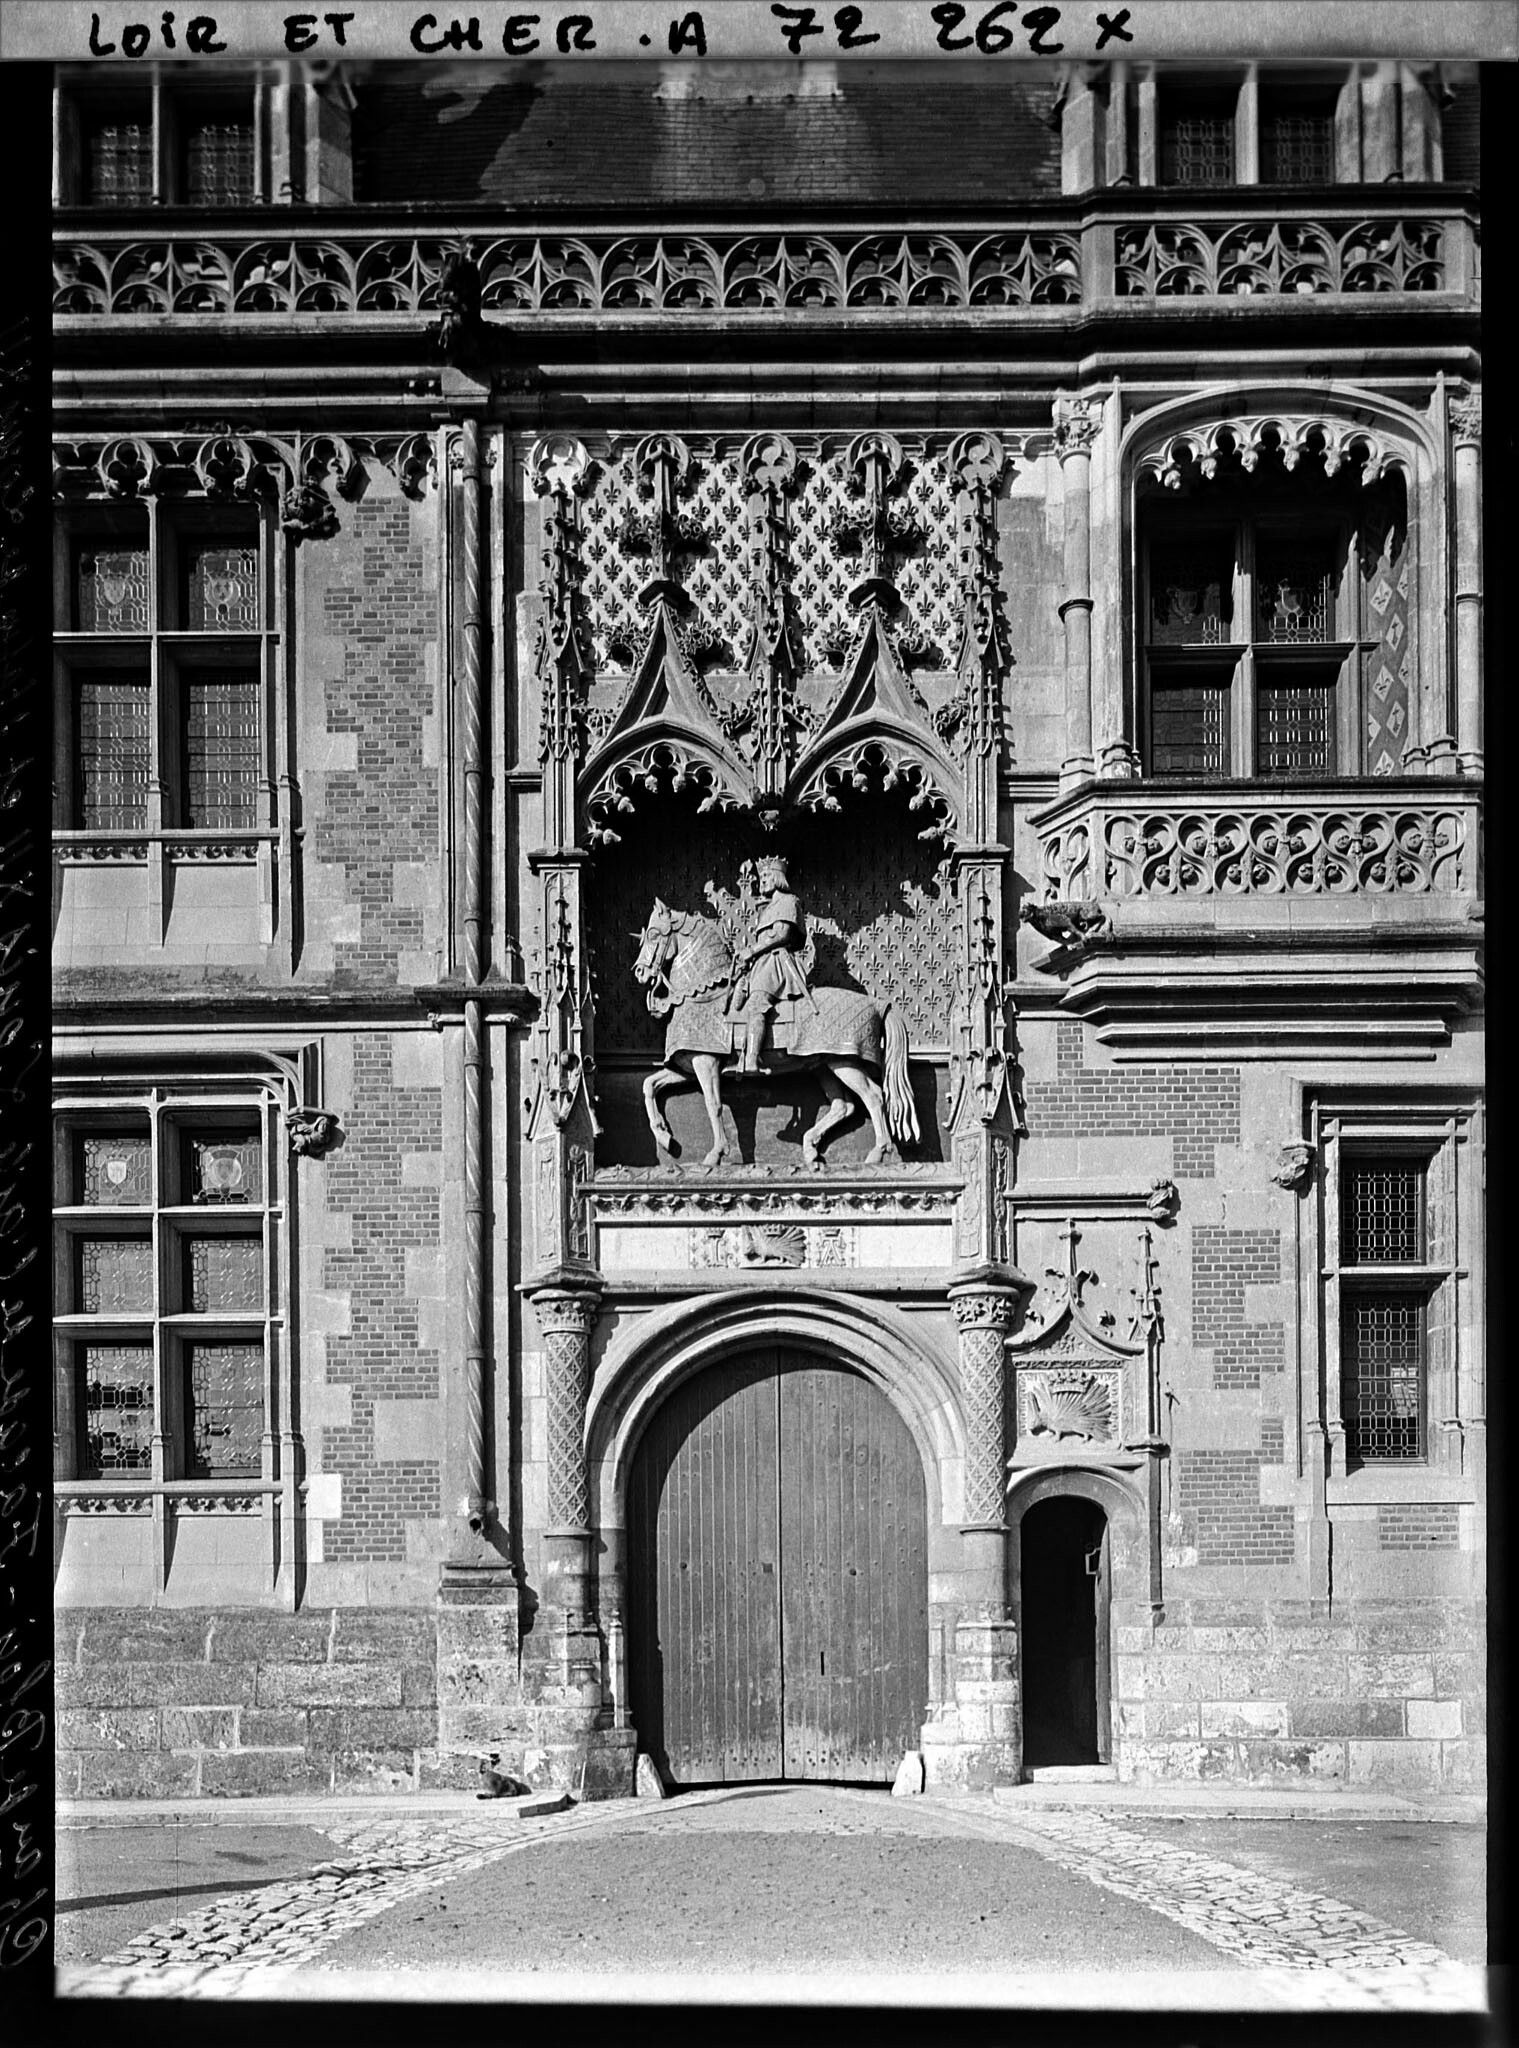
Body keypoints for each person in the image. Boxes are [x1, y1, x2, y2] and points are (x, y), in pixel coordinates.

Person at [726, 855, 813, 1074]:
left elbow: (781, 935)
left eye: (765, 876)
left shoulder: (789, 901)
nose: (761, 880)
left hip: (777, 963)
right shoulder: (768, 907)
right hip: (762, 963)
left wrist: (751, 951)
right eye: (760, 876)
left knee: (756, 1004)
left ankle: (751, 1061)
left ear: (777, 877)